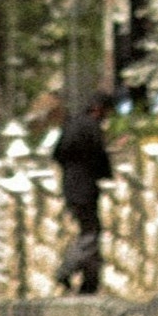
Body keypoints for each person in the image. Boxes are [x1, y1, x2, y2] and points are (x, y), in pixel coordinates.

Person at [45, 87, 115, 296]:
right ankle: (66, 269)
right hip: (85, 189)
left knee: (89, 230)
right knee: (90, 234)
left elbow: (57, 154)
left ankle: (89, 284)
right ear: (98, 109)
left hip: (70, 187)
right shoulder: (91, 128)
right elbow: (101, 159)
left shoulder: (72, 125)